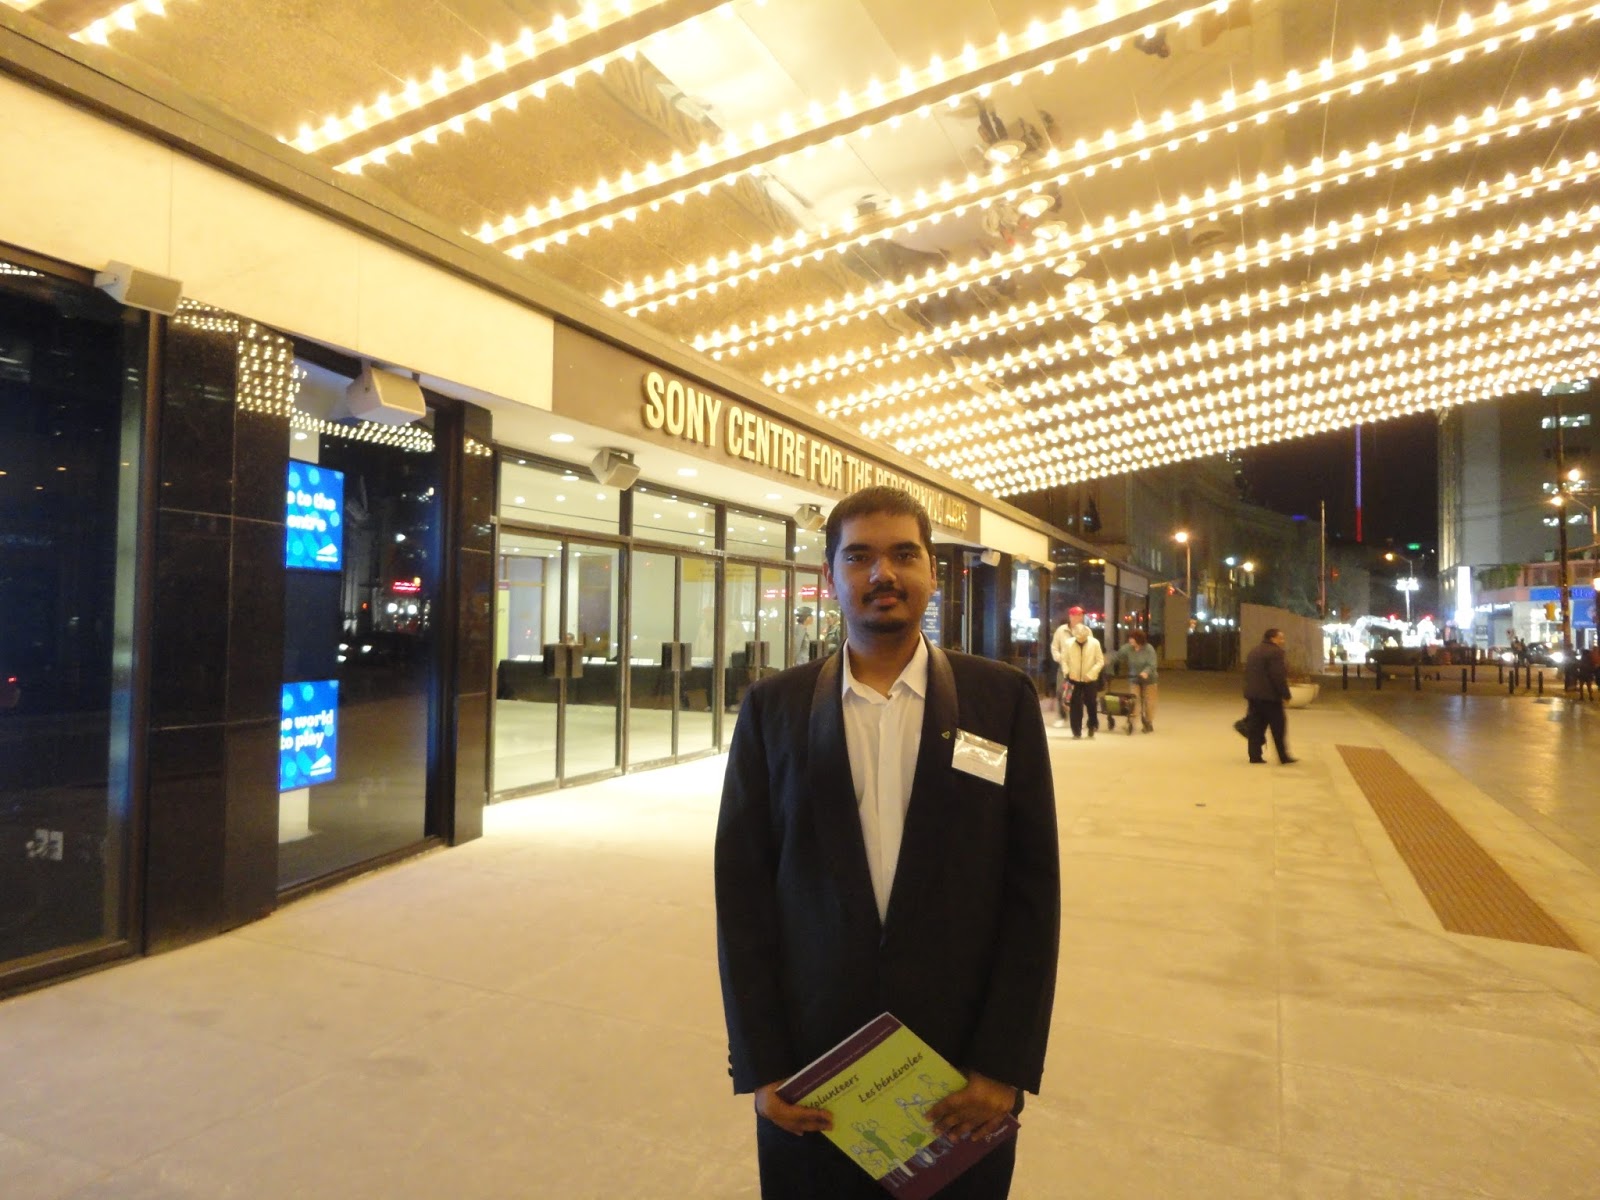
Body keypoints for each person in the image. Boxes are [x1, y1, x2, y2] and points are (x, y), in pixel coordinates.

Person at [715, 486, 1061, 1200]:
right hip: (815, 1079)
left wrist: (1004, 1065)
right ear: (830, 577)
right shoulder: (772, 711)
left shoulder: (1001, 701)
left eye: (905, 554)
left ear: (934, 571)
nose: (883, 574)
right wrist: (762, 1065)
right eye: (860, 557)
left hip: (961, 1079)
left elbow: (1033, 896)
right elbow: (742, 896)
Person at [1241, 627, 1296, 764]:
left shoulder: (1254, 651)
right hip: (1270, 697)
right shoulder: (1276, 653)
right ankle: (1283, 756)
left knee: (1256, 727)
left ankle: (1254, 756)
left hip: (1253, 696)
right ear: (1273, 638)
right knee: (1278, 726)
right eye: (1280, 638)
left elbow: (1248, 673)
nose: (1282, 640)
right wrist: (1286, 694)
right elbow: (1277, 676)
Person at [1052, 609, 1104, 739]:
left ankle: (1092, 724)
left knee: (1091, 702)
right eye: (1077, 615)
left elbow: (1099, 661)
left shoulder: (1094, 642)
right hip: (1073, 677)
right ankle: (1076, 730)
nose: (1079, 617)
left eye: (1081, 615)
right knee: (1074, 703)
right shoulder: (1066, 640)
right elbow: (1062, 657)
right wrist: (1067, 672)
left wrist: (1091, 674)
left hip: (1089, 678)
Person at [1106, 629, 1159, 732]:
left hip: (1150, 679)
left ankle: (1148, 722)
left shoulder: (1149, 649)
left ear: (1139, 640)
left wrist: (1145, 672)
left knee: (1149, 701)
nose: (1130, 640)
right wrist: (1109, 666)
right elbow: (1117, 656)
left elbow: (1152, 664)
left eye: (1132, 639)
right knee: (1133, 701)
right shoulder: (1128, 648)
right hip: (1134, 678)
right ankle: (1131, 722)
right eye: (1130, 638)